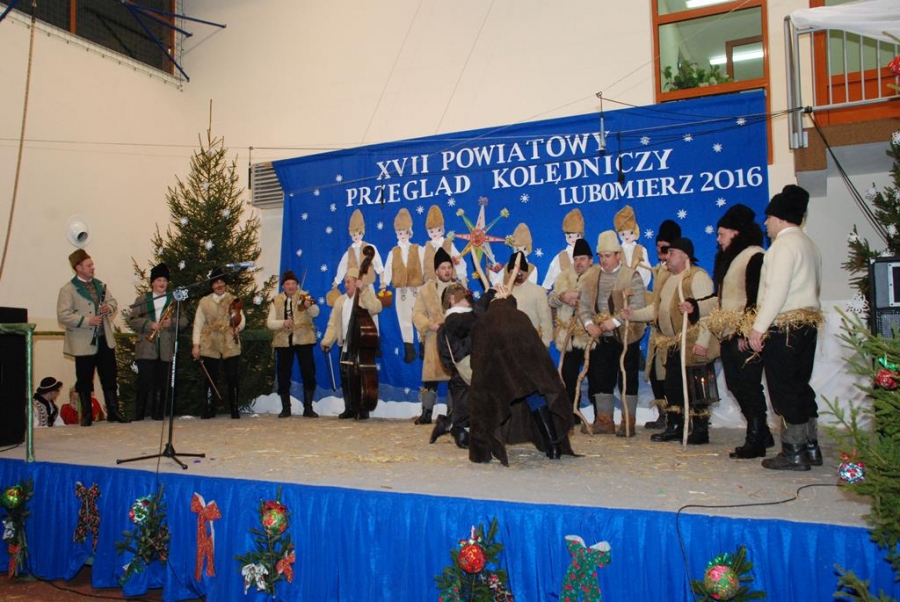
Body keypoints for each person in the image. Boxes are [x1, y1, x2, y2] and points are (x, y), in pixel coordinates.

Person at [749, 185, 823, 471]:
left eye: (768, 218)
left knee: (783, 388)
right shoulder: (809, 244)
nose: (765, 223)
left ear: (779, 218)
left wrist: (758, 327)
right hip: (807, 324)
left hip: (784, 326)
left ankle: (794, 451)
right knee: (800, 384)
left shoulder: (782, 246)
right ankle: (810, 445)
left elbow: (776, 291)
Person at [692, 205, 772, 459]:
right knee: (736, 385)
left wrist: (746, 333)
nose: (718, 239)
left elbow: (757, 297)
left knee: (748, 385)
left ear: (736, 233)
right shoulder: (731, 260)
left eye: (722, 234)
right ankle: (762, 432)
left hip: (744, 335)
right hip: (728, 333)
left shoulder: (755, 256)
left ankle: (756, 439)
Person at [622, 238, 718, 444]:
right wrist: (634, 314)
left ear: (685, 256)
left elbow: (708, 311)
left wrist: (703, 341)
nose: (667, 256)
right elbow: (657, 310)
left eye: (672, 252)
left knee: (696, 386)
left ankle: (700, 429)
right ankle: (676, 425)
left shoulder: (697, 277)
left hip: (691, 341)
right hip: (672, 343)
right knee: (673, 386)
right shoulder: (668, 279)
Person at [468, 286, 575, 465]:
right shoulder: (520, 316)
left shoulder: (484, 321)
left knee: (490, 403)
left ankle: (486, 451)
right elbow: (535, 346)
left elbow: (477, 358)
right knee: (535, 396)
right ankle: (553, 446)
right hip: (526, 369)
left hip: (498, 374)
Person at [578, 231, 647, 436]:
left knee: (627, 378)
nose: (604, 260)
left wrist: (615, 321)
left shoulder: (631, 276)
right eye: (601, 256)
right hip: (601, 337)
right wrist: (589, 324)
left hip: (627, 335)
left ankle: (628, 423)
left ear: (618, 255)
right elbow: (583, 304)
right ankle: (604, 421)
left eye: (607, 256)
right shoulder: (591, 276)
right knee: (600, 376)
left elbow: (638, 304)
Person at [57, 249, 127, 426]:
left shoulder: (100, 285)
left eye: (92, 264)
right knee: (84, 379)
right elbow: (63, 315)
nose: (92, 267)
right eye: (88, 265)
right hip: (83, 342)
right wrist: (88, 321)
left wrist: (108, 308)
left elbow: (112, 302)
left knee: (109, 376)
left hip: (104, 339)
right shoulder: (68, 289)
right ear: (78, 267)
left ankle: (113, 411)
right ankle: (86, 415)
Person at [321, 267, 384, 419]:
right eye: (345, 282)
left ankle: (362, 408)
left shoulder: (364, 297)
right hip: (345, 344)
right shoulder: (340, 301)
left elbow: (376, 307)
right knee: (346, 377)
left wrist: (364, 290)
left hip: (360, 345)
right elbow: (333, 324)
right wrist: (327, 341)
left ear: (356, 282)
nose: (345, 284)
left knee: (360, 378)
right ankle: (349, 407)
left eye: (348, 281)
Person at [128, 263, 186, 421]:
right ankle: (140, 413)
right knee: (144, 380)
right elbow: (133, 320)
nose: (162, 283)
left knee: (162, 382)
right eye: (159, 280)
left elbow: (184, 320)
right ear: (152, 282)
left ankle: (158, 413)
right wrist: (150, 325)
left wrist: (171, 322)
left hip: (166, 347)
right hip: (146, 346)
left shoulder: (174, 299)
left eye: (165, 280)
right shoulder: (142, 299)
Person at [548, 237, 594, 422]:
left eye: (582, 258)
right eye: (576, 259)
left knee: (595, 375)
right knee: (569, 375)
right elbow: (551, 300)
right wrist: (563, 297)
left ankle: (600, 417)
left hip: (591, 336)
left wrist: (580, 294)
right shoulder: (564, 278)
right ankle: (571, 413)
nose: (578, 262)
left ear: (590, 260)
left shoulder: (598, 276)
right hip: (570, 335)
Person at [192, 266, 246, 419]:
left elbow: (241, 319)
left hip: (229, 339)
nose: (219, 285)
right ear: (212, 285)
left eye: (222, 282)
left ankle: (234, 408)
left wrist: (238, 328)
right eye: (216, 283)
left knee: (232, 375)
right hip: (209, 340)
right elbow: (198, 324)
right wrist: (196, 345)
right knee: (210, 376)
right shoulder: (204, 302)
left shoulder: (233, 299)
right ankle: (209, 408)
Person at [432, 282, 480, 449]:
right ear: (452, 299)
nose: (468, 299)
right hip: (463, 369)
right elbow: (445, 353)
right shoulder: (456, 320)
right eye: (463, 296)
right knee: (465, 403)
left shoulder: (463, 318)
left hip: (469, 368)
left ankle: (446, 423)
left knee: (469, 402)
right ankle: (460, 431)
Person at [644, 219, 681, 429]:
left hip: (673, 334)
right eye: (658, 246)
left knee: (670, 376)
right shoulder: (659, 270)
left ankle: (677, 416)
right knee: (656, 374)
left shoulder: (680, 273)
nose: (660, 250)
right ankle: (664, 414)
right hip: (658, 332)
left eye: (665, 248)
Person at [267, 269, 319, 418]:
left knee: (308, 373)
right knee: (283, 374)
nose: (291, 286)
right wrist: (282, 323)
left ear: (297, 284)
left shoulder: (304, 296)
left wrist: (309, 305)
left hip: (304, 339)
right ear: (283, 286)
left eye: (293, 283)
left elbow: (316, 313)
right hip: (283, 341)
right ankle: (286, 408)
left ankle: (308, 407)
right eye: (288, 284)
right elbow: (270, 323)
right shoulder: (276, 300)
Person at [411, 248, 455, 425]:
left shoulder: (459, 288)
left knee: (454, 377)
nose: (447, 271)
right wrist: (430, 325)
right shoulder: (426, 290)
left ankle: (453, 412)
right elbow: (417, 314)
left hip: (453, 340)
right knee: (430, 377)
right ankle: (426, 412)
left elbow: (466, 311)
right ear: (436, 271)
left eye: (449, 267)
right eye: (443, 268)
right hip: (433, 338)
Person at [383, 208, 424, 363]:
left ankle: (423, 347)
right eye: (399, 233)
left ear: (409, 232)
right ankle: (409, 349)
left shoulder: (417, 249)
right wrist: (385, 282)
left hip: (417, 289)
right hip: (401, 291)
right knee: (404, 319)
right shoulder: (393, 252)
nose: (402, 235)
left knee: (420, 316)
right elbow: (388, 268)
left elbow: (424, 265)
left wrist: (426, 280)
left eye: (404, 232)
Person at [506, 251, 554, 348]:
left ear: (526, 272)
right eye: (514, 271)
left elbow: (546, 319)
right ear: (510, 274)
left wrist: (545, 344)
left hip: (532, 343)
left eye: (521, 271)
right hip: (509, 344)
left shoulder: (538, 291)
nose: (518, 273)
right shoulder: (504, 292)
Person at [422, 205, 467, 286]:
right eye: (431, 231)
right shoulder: (426, 248)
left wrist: (462, 275)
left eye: (438, 230)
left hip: (449, 281)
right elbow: (422, 265)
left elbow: (458, 259)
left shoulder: (448, 244)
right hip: (433, 283)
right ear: (428, 232)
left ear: (442, 230)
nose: (435, 233)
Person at [542, 209, 585, 290]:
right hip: (565, 293)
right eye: (570, 236)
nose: (574, 239)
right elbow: (552, 272)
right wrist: (545, 288)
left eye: (577, 236)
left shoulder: (586, 255)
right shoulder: (562, 256)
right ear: (566, 236)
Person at [614, 205, 652, 288]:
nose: (626, 236)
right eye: (623, 234)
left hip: (638, 287)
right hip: (621, 289)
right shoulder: (617, 251)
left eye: (630, 233)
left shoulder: (641, 249)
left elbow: (646, 268)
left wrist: (636, 281)